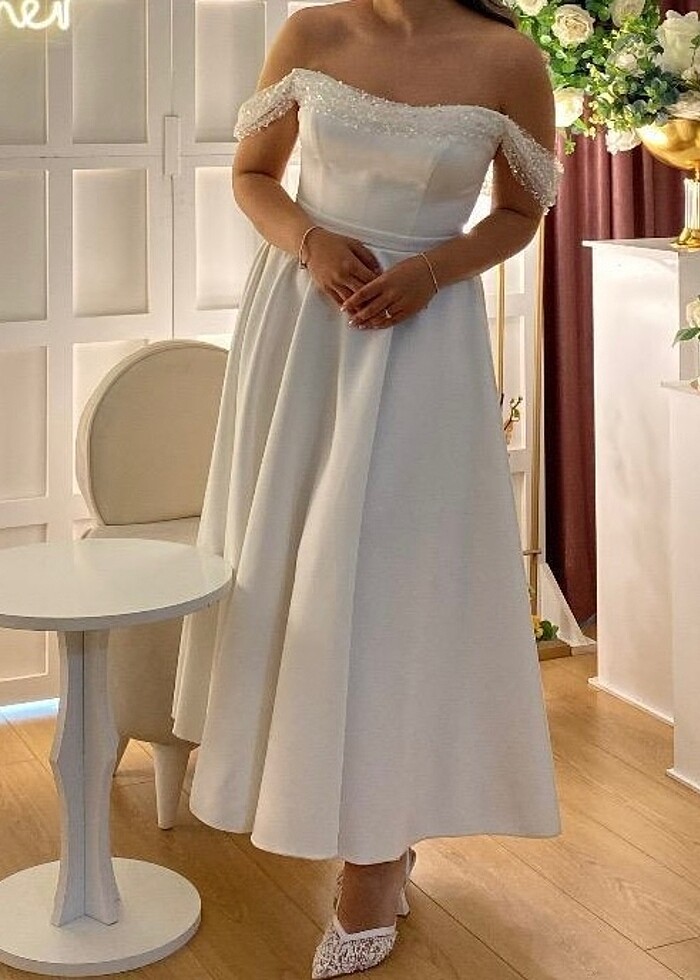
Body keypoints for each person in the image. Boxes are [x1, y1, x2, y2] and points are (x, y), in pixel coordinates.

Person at [172, 0, 563, 976]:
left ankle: (376, 858)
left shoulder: (508, 58)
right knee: (295, 573)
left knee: (391, 586)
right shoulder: (312, 33)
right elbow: (253, 176)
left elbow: (521, 213)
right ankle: (305, 793)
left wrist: (431, 270)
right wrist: (310, 242)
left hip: (422, 338)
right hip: (303, 328)